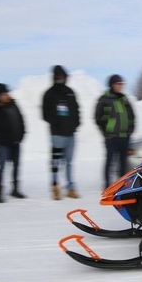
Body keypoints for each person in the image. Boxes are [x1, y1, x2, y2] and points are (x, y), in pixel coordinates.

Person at [42, 65, 81, 200]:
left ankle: (70, 188)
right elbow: (45, 114)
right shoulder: (49, 94)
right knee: (55, 163)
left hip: (70, 135)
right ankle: (55, 187)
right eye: (58, 77)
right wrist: (56, 123)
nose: (61, 79)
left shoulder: (70, 92)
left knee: (69, 163)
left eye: (63, 77)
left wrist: (75, 124)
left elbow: (76, 110)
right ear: (54, 77)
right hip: (57, 135)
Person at [94, 74, 135, 188]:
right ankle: (107, 185)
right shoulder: (105, 99)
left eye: (122, 84)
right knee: (110, 162)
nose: (120, 86)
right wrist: (106, 132)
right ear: (112, 85)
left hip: (124, 136)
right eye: (118, 84)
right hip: (111, 137)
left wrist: (130, 130)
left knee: (123, 163)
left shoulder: (124, 99)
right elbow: (98, 117)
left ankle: (121, 185)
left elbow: (131, 116)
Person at [0, 83, 26, 202]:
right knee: (2, 166)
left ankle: (15, 189)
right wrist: (5, 135)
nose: (6, 96)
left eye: (6, 93)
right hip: (2, 143)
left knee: (16, 166)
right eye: (3, 94)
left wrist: (21, 134)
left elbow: (21, 120)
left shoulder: (14, 105)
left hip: (16, 141)